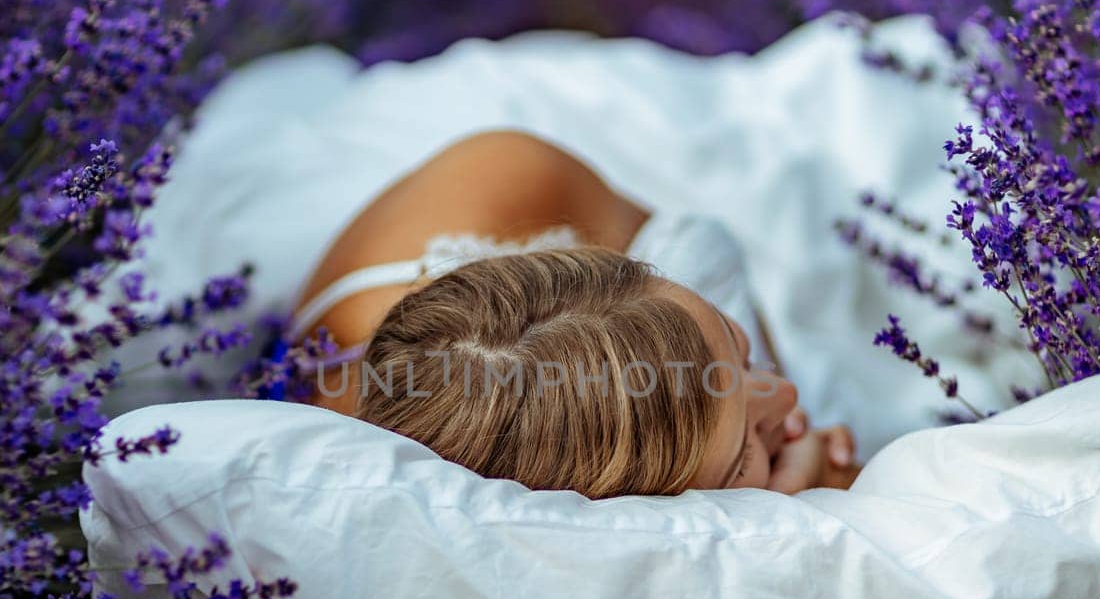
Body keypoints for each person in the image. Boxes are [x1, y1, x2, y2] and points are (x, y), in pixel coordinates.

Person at [283, 129, 860, 498]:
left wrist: (752, 447)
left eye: (738, 347)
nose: (786, 397)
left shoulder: (514, 174)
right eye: (741, 457)